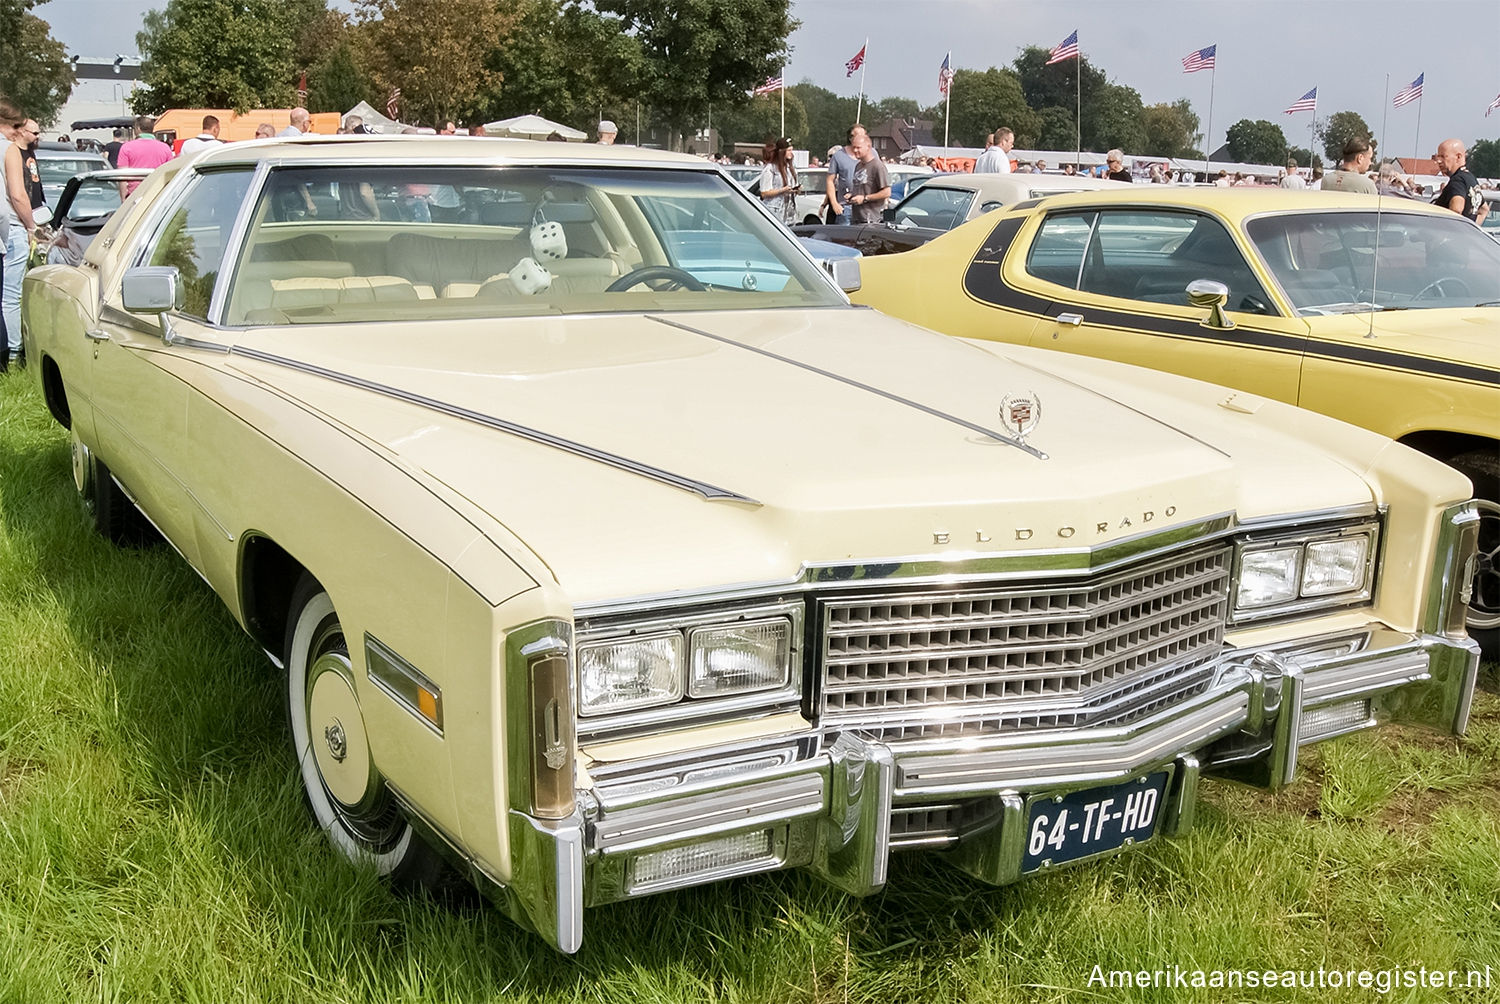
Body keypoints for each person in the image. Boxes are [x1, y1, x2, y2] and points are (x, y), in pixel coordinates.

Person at [0, 103, 38, 369]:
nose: (17, 133)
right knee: (10, 296)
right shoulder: (9, 149)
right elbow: (17, 194)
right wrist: (31, 225)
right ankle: (13, 353)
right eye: (15, 127)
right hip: (9, 228)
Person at [1430, 138, 1487, 224]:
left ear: (1458, 157)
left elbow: (1456, 210)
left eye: (1443, 156)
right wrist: (1472, 229)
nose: (1438, 161)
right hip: (1465, 235)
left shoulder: (1457, 181)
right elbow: (1484, 210)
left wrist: (1448, 234)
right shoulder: (1470, 178)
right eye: (1438, 156)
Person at [116, 115, 175, 196]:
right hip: (158, 193)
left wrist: (123, 199)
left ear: (138, 128)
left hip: (135, 194)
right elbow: (171, 172)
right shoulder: (165, 148)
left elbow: (122, 176)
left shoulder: (127, 147)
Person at [847, 128, 891, 223]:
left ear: (868, 147)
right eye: (853, 147)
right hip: (856, 218)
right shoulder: (858, 166)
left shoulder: (877, 166)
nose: (855, 150)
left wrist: (865, 198)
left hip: (871, 219)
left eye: (858, 147)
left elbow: (887, 192)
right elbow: (862, 188)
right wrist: (852, 196)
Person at [824, 124, 864, 224]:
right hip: (846, 208)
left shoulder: (871, 153)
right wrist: (834, 204)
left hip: (866, 207)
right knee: (844, 238)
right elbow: (830, 180)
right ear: (851, 138)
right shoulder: (839, 156)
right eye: (859, 136)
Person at [757, 136, 798, 226]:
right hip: (775, 211)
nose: (791, 153)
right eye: (789, 150)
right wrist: (782, 190)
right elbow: (764, 192)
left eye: (792, 150)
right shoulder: (770, 169)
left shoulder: (789, 168)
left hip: (789, 213)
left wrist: (795, 190)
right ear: (781, 152)